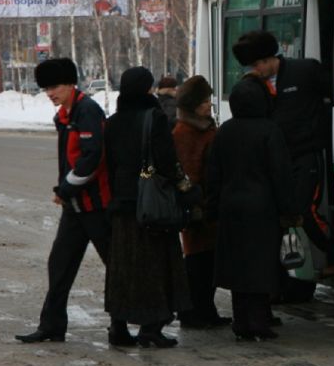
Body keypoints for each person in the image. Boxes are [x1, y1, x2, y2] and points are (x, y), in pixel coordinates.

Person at [16, 58, 134, 347]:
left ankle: (120, 328)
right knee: (59, 265)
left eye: (54, 87)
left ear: (70, 84)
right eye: (45, 89)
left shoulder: (88, 111)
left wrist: (66, 188)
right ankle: (51, 327)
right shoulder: (65, 115)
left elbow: (92, 157)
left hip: (96, 207)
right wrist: (67, 191)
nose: (50, 93)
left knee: (115, 266)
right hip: (75, 208)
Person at [231, 31, 334, 280]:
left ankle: (333, 254)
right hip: (276, 158)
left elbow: (333, 95)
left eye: (259, 64)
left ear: (270, 58)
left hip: (306, 154)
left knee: (304, 208)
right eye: (252, 66)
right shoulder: (254, 84)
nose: (257, 70)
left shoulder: (304, 71)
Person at [104, 67, 192, 348]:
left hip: (122, 204)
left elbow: (110, 163)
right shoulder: (154, 118)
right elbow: (167, 161)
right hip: (150, 204)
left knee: (122, 267)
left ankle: (118, 327)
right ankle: (151, 328)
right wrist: (184, 187)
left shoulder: (113, 121)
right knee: (155, 264)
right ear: (147, 89)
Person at [208, 76, 295, 341]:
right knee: (260, 264)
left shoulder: (224, 131)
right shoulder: (269, 130)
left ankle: (241, 320)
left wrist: (212, 205)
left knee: (238, 265)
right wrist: (288, 208)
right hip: (262, 207)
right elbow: (280, 173)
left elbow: (213, 173)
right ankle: (258, 320)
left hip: (231, 205)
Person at [172, 75, 230, 329]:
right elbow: (189, 171)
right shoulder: (185, 132)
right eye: (204, 101)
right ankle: (194, 312)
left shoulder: (203, 127)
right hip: (198, 207)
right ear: (193, 105)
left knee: (208, 261)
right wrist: (198, 201)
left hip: (209, 203)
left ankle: (204, 310)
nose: (209, 104)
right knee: (198, 263)